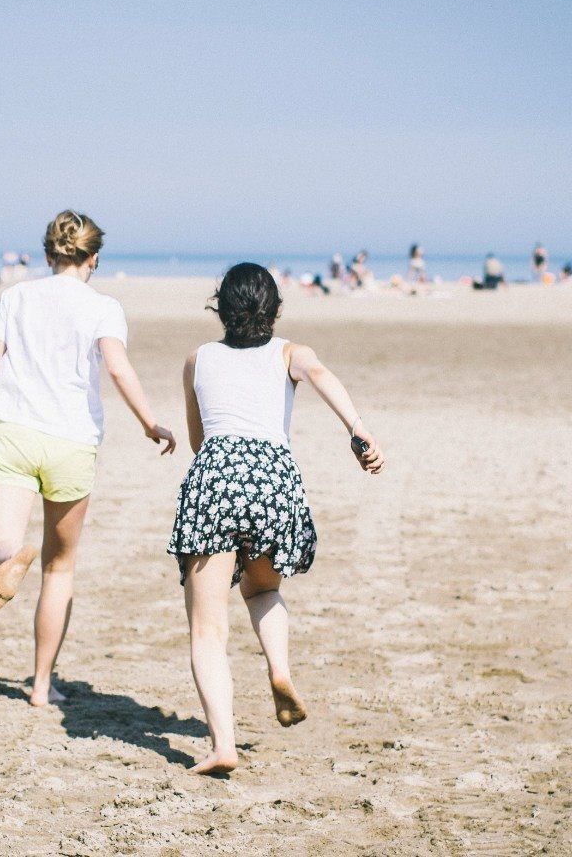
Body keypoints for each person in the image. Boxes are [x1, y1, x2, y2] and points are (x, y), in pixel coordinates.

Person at [169, 263, 383, 775]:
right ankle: (280, 669)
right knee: (262, 591)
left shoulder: (197, 360)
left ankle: (223, 745)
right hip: (273, 481)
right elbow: (322, 377)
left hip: (216, 476)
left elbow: (198, 438)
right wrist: (358, 430)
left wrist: (221, 472)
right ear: (275, 310)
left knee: (207, 630)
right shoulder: (291, 353)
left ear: (219, 307)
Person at [0, 210, 176, 706]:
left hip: (15, 433)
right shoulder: (103, 306)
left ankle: (6, 560)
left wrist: (4, 392)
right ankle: (42, 686)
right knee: (59, 568)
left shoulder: (15, 296)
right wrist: (150, 423)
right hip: (71, 442)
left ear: (48, 255)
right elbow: (118, 367)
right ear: (94, 259)